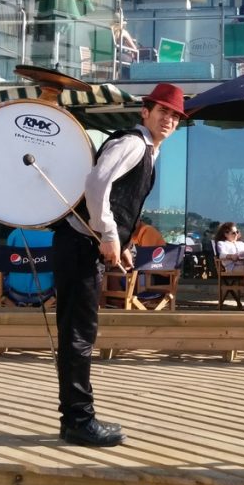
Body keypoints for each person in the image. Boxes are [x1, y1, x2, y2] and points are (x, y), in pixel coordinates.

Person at [52, 82, 186, 447]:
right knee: (78, 336)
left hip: (83, 244)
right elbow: (96, 184)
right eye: (163, 112)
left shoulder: (148, 151)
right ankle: (78, 420)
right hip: (80, 244)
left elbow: (117, 200)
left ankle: (75, 417)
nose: (169, 120)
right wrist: (109, 233)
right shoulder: (133, 143)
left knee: (79, 334)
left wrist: (121, 243)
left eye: (175, 115)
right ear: (146, 111)